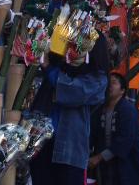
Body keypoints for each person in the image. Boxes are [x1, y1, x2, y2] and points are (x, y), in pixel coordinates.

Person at [29, 33, 110, 185]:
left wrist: (48, 67)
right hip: (41, 141)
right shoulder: (62, 67)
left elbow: (74, 90)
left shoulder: (99, 79)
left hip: (70, 147)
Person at [89, 71, 139, 185]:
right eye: (108, 82)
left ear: (122, 90)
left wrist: (99, 157)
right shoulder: (100, 110)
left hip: (126, 166)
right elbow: (93, 135)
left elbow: (125, 139)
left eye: (114, 82)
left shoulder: (128, 110)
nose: (109, 85)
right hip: (105, 166)